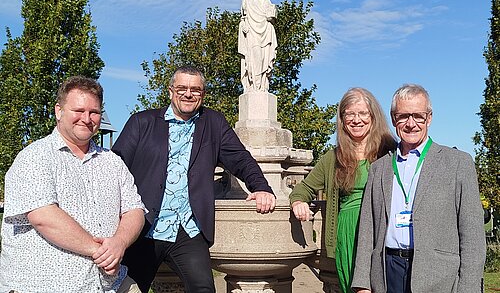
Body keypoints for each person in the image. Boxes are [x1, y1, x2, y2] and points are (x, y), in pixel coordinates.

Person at [112, 66, 276, 293]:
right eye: (181, 88)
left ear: (203, 94)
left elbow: (239, 158)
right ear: (170, 91)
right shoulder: (142, 122)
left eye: (195, 90)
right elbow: (115, 167)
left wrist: (261, 187)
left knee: (204, 289)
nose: (188, 94)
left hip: (187, 230)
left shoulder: (214, 123)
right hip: (145, 227)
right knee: (123, 289)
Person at [0, 76, 146, 293]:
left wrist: (120, 243)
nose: (86, 118)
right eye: (78, 110)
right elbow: (44, 218)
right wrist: (102, 252)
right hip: (46, 285)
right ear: (59, 111)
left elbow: (135, 209)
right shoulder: (34, 157)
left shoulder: (112, 161)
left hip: (109, 284)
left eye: (94, 112)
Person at [352, 84, 486, 293]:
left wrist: (469, 287)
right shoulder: (380, 168)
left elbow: (473, 236)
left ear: (429, 118)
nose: (411, 124)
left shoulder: (458, 163)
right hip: (388, 274)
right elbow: (367, 229)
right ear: (394, 118)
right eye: (403, 116)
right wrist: (362, 283)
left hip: (439, 278)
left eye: (418, 116)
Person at [289, 88, 396, 293]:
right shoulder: (334, 157)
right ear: (342, 119)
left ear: (373, 116)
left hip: (381, 231)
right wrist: (298, 202)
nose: (356, 120)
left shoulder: (389, 151)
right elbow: (303, 188)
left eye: (363, 113)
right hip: (348, 234)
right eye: (350, 114)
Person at [238, 0, 277, 92]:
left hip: (266, 31)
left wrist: (273, 14)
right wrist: (243, 24)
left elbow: (271, 15)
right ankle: (254, 86)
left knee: (265, 60)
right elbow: (243, 16)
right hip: (252, 31)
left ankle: (263, 86)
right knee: (255, 58)